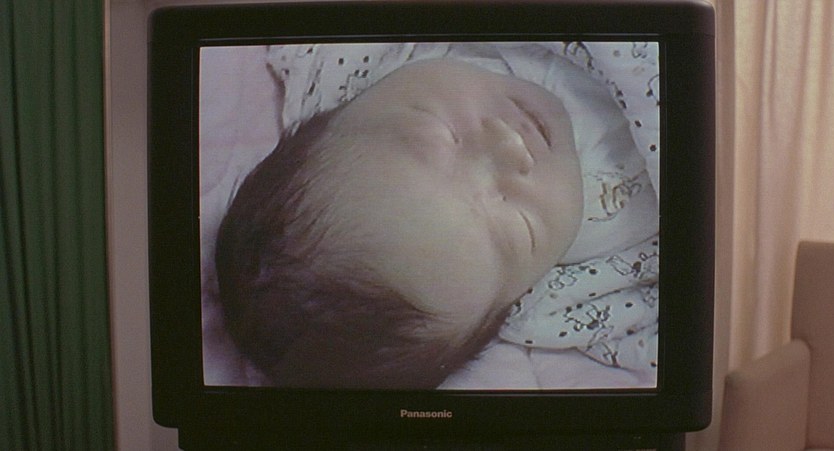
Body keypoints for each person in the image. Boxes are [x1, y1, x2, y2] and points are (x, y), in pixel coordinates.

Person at [215, 58, 656, 389]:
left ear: (337, 105)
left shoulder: (361, 59)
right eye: (523, 229)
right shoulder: (596, 272)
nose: (510, 145)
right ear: (518, 302)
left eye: (438, 129)